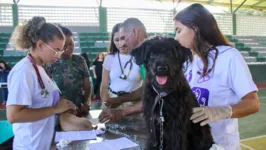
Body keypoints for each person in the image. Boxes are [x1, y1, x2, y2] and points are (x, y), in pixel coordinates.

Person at [174, 3, 260, 149]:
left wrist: (221, 111)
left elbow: (253, 104)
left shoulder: (229, 56)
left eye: (178, 30)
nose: (176, 37)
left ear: (194, 28)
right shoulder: (189, 61)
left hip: (220, 146)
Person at [6, 16, 76, 150]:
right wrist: (55, 109)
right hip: (29, 145)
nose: (58, 55)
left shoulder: (41, 68)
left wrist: (63, 104)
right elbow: (13, 115)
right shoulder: (24, 71)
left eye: (61, 51)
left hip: (42, 144)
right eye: (56, 50)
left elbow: (41, 100)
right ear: (40, 45)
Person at [99, 18, 148, 123]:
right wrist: (106, 100)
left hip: (133, 103)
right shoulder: (110, 58)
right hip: (112, 101)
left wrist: (120, 100)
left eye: (123, 38)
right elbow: (104, 85)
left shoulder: (141, 57)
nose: (121, 43)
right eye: (117, 40)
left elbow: (146, 88)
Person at [47, 26, 91, 116]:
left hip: (79, 110)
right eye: (64, 46)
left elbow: (87, 87)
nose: (68, 48)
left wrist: (86, 103)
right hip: (58, 112)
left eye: (71, 44)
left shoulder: (80, 60)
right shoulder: (50, 62)